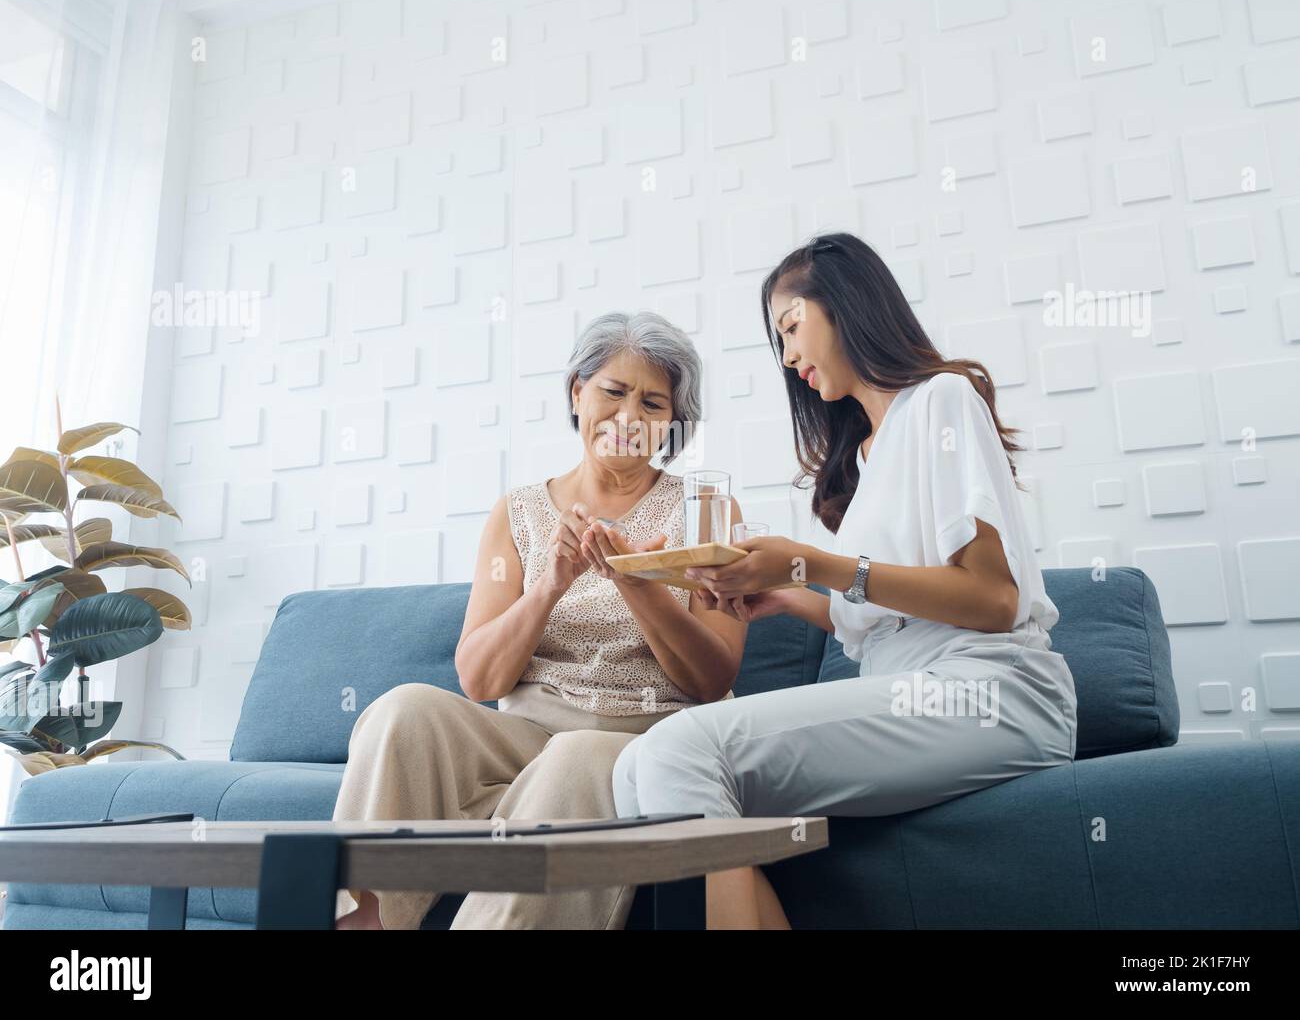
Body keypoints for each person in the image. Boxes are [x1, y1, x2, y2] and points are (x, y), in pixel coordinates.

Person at [611, 233, 1079, 930]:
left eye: (791, 326)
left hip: (991, 688)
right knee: (636, 768)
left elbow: (993, 599)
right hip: (908, 682)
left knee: (682, 747)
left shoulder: (942, 400)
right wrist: (785, 595)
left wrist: (816, 563)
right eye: (779, 341)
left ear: (846, 302)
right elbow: (891, 616)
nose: (788, 354)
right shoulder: (866, 455)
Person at [333, 310, 748, 929]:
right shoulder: (520, 511)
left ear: (672, 424)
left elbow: (713, 679)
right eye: (613, 391)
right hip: (527, 734)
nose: (629, 417)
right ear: (576, 391)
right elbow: (479, 681)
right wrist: (548, 587)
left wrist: (638, 584)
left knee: (575, 757)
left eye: (654, 403)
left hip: (643, 735)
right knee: (402, 712)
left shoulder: (705, 511)